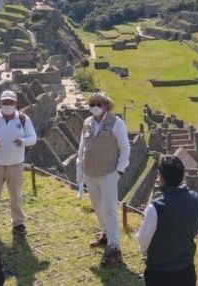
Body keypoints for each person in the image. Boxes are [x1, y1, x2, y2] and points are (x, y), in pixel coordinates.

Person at [76, 92, 131, 267]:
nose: (96, 106)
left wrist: (119, 171)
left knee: (109, 208)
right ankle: (106, 234)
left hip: (108, 173)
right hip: (91, 173)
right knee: (97, 206)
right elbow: (82, 149)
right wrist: (80, 169)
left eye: (99, 103)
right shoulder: (87, 123)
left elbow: (125, 148)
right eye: (93, 103)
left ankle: (114, 246)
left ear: (107, 105)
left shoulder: (116, 124)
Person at [0, 89, 37, 235]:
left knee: (16, 195)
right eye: (5, 102)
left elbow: (33, 138)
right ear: (0, 103)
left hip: (15, 164)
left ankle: (18, 223)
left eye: (10, 102)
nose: (8, 104)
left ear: (16, 103)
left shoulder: (23, 119)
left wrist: (22, 141)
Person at [136, 155, 198, 286]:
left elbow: (142, 243)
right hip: (186, 271)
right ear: (182, 175)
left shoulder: (155, 207)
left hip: (160, 273)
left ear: (161, 177)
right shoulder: (196, 200)